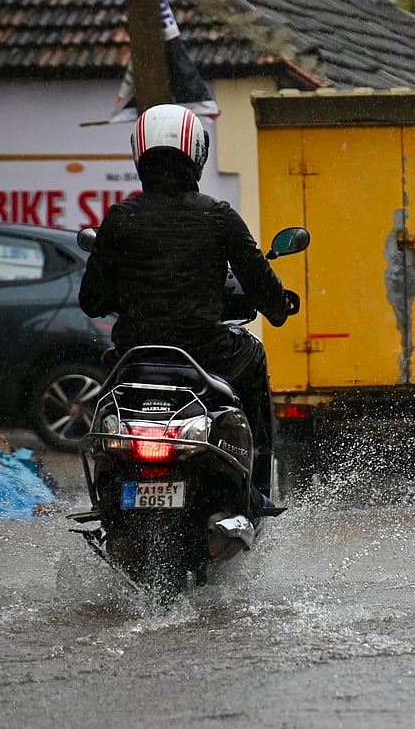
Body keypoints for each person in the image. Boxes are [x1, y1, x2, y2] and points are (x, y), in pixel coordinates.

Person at [79, 104, 295, 506]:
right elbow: (260, 282)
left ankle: (105, 488)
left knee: (107, 396)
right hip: (205, 353)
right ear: (197, 153)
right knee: (255, 352)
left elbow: (91, 301)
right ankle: (257, 487)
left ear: (139, 152)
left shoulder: (120, 218)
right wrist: (279, 307)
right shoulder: (217, 216)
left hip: (136, 356)